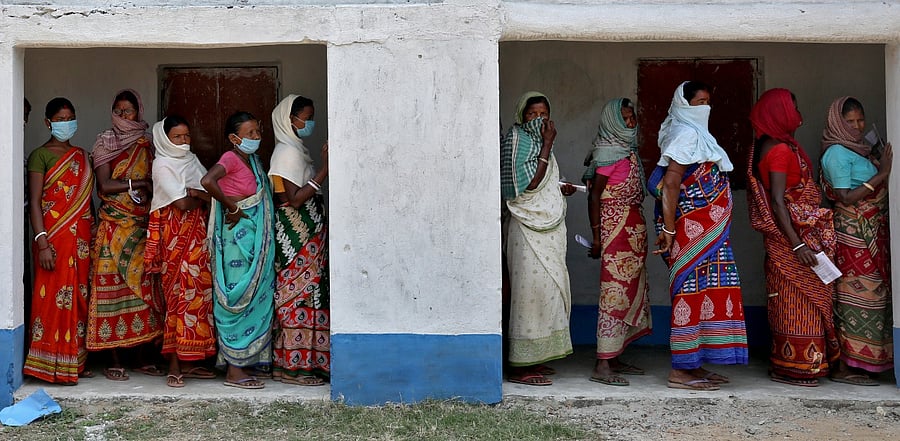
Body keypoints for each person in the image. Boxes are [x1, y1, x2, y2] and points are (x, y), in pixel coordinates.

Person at [649, 81, 748, 391]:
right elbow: (671, 183)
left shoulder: (698, 135)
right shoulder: (684, 134)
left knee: (710, 293)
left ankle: (694, 363)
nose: (705, 108)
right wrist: (667, 229)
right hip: (692, 235)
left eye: (708, 101)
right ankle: (680, 370)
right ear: (683, 105)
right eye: (698, 102)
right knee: (690, 295)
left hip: (711, 236)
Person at [747, 88, 838, 387]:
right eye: (793, 110)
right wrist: (798, 244)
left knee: (789, 301)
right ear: (779, 114)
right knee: (799, 302)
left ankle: (790, 365)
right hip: (793, 241)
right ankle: (796, 367)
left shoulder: (771, 145)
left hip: (793, 237)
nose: (799, 117)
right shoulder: (779, 151)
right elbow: (777, 200)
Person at [500, 91, 577, 386]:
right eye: (532, 115)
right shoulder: (517, 141)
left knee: (547, 292)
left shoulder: (539, 145)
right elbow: (527, 184)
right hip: (525, 228)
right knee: (527, 294)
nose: (539, 120)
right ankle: (519, 365)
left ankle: (537, 356)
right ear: (522, 116)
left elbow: (542, 180)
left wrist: (559, 188)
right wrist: (547, 142)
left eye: (543, 114)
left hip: (547, 229)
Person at [88, 89, 164, 381]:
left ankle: (142, 356)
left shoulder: (146, 144)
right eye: (118, 110)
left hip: (139, 228)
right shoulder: (105, 142)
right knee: (111, 294)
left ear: (138, 112)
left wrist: (145, 184)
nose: (123, 116)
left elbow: (155, 184)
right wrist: (138, 181)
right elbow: (104, 186)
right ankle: (113, 356)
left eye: (128, 111)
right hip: (112, 228)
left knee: (144, 291)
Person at [820, 96, 893, 385]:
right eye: (849, 121)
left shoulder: (859, 150)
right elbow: (845, 196)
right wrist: (884, 173)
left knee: (874, 293)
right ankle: (847, 363)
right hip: (854, 234)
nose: (857, 126)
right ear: (837, 123)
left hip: (870, 232)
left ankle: (869, 359)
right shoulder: (837, 153)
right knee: (855, 293)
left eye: (860, 119)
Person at [201, 111, 275, 390]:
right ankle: (234, 371)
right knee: (239, 294)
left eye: (258, 132)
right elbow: (207, 181)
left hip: (256, 238)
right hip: (237, 241)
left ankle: (247, 363)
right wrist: (231, 206)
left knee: (257, 294)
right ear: (234, 138)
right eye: (250, 134)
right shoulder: (230, 158)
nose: (256, 138)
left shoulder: (253, 161)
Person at [22, 98, 95, 384]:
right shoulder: (40, 155)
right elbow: (36, 202)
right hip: (52, 240)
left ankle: (74, 361)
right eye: (62, 118)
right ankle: (47, 364)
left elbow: (89, 203)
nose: (67, 123)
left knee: (78, 299)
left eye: (71, 117)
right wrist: (42, 243)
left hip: (81, 241)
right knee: (49, 300)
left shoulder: (82, 155)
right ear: (48, 122)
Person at [582, 98, 652, 386]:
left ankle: (616, 354)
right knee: (613, 295)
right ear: (612, 121)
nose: (631, 123)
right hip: (614, 232)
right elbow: (594, 197)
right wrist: (597, 237)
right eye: (624, 119)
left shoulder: (629, 152)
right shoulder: (606, 154)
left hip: (632, 233)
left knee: (630, 293)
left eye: (633, 117)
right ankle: (602, 364)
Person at [145, 116, 217, 388]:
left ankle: (192, 360)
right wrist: (198, 195)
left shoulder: (192, 161)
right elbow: (183, 203)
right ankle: (174, 364)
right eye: (177, 137)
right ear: (165, 139)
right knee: (177, 298)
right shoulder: (162, 164)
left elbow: (210, 193)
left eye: (187, 136)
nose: (184, 141)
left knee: (198, 295)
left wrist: (198, 194)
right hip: (174, 238)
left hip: (197, 238)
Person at [268, 95, 330, 386]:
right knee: (298, 297)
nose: (308, 123)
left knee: (307, 296)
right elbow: (293, 200)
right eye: (306, 117)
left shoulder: (296, 150)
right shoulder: (286, 154)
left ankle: (287, 366)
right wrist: (324, 171)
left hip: (306, 235)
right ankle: (297, 369)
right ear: (289, 119)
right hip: (296, 236)